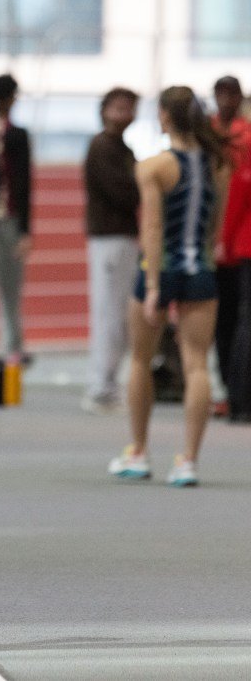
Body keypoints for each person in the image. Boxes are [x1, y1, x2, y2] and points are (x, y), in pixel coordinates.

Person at [108, 85, 230, 486]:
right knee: (196, 365)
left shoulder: (154, 166)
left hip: (160, 269)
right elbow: (215, 221)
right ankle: (188, 461)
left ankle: (139, 452)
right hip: (200, 270)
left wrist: (155, 286)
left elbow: (153, 228)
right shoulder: (218, 162)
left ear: (163, 115)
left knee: (141, 359)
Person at [81, 87, 141, 415]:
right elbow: (126, 193)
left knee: (117, 313)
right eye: (117, 108)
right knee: (108, 313)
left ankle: (107, 382)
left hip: (122, 236)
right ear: (104, 110)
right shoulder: (102, 146)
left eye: (129, 108)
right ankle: (100, 385)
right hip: (108, 237)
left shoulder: (124, 148)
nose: (123, 114)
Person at [0, 74, 32, 367]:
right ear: (11, 98)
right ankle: (13, 347)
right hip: (9, 218)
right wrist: (26, 229)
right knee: (10, 287)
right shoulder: (16, 134)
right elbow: (23, 184)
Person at [210, 76, 251, 420]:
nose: (225, 100)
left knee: (239, 319)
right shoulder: (205, 134)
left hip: (236, 243)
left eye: (231, 94)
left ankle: (235, 391)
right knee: (220, 321)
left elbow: (238, 195)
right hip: (216, 239)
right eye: (220, 94)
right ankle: (227, 388)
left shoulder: (246, 138)